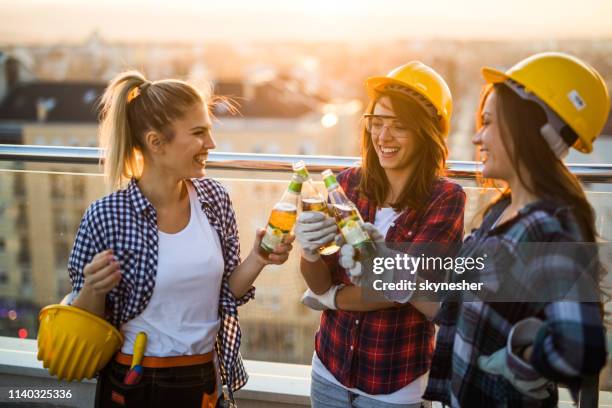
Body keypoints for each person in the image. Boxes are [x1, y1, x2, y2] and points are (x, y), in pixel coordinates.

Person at [66, 71, 293, 407]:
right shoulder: (106, 215)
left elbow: (226, 294)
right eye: (199, 133)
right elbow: (85, 322)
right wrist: (92, 288)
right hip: (135, 381)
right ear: (156, 142)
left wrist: (258, 258)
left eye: (209, 132)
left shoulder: (214, 198)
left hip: (204, 376)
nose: (211, 145)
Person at [423, 52, 609, 407]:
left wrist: (520, 357)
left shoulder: (547, 230)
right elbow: (451, 304)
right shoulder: (501, 212)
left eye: (489, 122)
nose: (478, 137)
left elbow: (581, 350)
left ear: (535, 129)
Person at [296, 62, 466, 408]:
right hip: (329, 369)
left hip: (394, 385)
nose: (383, 137)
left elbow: (398, 289)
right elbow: (317, 282)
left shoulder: (446, 199)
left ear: (427, 133)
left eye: (399, 126)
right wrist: (310, 253)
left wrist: (333, 299)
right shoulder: (345, 185)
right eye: (377, 123)